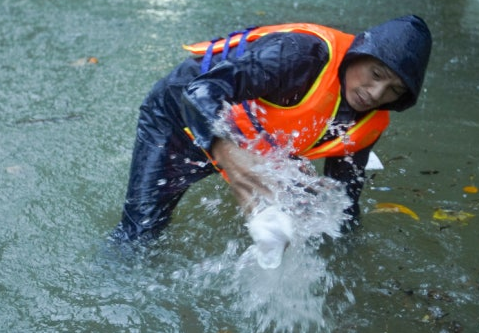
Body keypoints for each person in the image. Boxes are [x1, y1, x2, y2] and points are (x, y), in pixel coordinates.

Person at [111, 15, 432, 263]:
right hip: (178, 117)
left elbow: (346, 198)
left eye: (393, 90)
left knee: (311, 207)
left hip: (258, 139)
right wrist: (227, 151)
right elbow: (198, 94)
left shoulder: (369, 122)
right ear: (358, 55)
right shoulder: (298, 56)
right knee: (139, 236)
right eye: (376, 75)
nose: (376, 94)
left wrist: (347, 255)